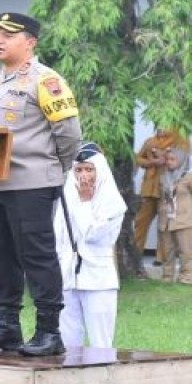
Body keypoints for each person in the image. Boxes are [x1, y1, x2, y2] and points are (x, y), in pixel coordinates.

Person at [0, 12, 82, 356]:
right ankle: (7, 325)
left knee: (37, 256)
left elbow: (69, 134)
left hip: (31, 182)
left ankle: (49, 331)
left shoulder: (46, 80)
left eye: (8, 34)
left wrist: (53, 168)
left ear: (30, 41)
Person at [55, 143, 125, 349]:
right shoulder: (68, 195)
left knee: (100, 343)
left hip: (98, 279)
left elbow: (93, 234)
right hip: (67, 276)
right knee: (68, 341)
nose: (83, 175)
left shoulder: (113, 202)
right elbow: (59, 237)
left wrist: (85, 202)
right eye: (78, 170)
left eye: (89, 169)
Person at [134, 127, 191, 265]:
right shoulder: (150, 141)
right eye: (157, 124)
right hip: (149, 188)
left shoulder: (180, 140)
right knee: (140, 221)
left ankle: (163, 257)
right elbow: (138, 158)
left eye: (164, 124)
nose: (160, 127)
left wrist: (164, 158)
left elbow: (183, 161)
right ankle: (135, 254)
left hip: (167, 187)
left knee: (165, 225)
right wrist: (151, 162)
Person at [158, 147, 192, 284]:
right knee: (167, 251)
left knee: (185, 251)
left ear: (182, 161)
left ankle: (186, 277)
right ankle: (167, 277)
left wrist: (187, 209)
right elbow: (162, 197)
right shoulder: (163, 177)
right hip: (166, 219)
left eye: (172, 159)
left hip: (184, 220)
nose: (168, 162)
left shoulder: (191, 178)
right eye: (167, 159)